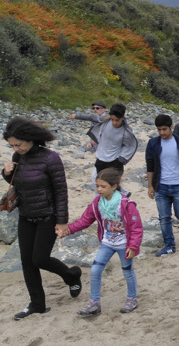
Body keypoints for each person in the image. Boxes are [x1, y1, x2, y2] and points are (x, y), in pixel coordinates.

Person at [3, 117, 82, 320]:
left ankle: (72, 275)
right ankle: (37, 305)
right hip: (26, 215)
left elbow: (61, 191)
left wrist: (62, 221)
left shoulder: (51, 158)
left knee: (39, 259)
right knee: (27, 262)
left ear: (30, 138)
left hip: (48, 216)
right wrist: (5, 173)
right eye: (12, 145)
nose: (16, 148)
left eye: (18, 144)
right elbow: (19, 183)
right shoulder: (18, 157)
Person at [57, 169, 142, 316]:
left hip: (124, 245)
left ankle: (132, 299)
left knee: (127, 271)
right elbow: (85, 220)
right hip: (107, 243)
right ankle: (94, 303)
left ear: (114, 186)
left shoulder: (126, 204)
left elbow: (136, 227)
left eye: (103, 186)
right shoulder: (97, 203)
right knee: (95, 270)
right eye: (97, 186)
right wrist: (68, 230)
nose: (99, 189)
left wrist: (133, 246)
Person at [145, 114, 179, 256]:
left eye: (164, 129)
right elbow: (150, 166)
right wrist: (150, 186)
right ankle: (169, 245)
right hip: (161, 186)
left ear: (171, 127)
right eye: (159, 130)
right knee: (164, 218)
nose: (161, 132)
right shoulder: (153, 143)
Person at [89, 103, 138, 185]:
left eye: (117, 120)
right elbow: (91, 119)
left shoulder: (126, 131)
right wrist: (76, 116)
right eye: (112, 119)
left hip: (115, 163)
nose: (114, 123)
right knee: (98, 183)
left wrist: (120, 159)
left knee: (112, 186)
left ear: (123, 118)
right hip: (100, 160)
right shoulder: (105, 123)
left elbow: (129, 146)